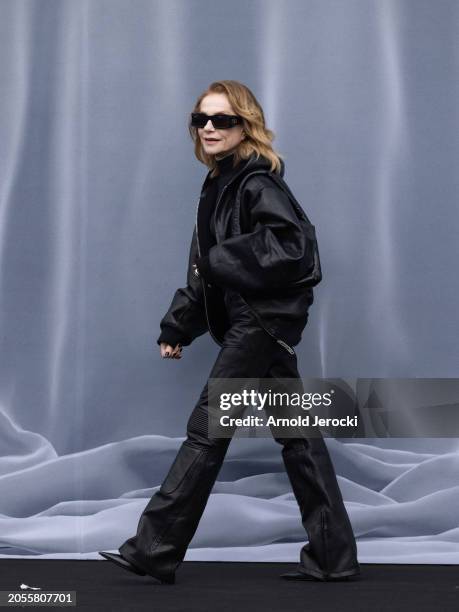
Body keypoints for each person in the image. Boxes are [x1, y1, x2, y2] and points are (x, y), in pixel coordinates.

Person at [99, 80, 361, 585]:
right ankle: (334, 557)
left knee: (208, 428)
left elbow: (293, 250)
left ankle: (155, 549)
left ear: (247, 126)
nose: (211, 129)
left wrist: (222, 260)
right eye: (202, 120)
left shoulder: (258, 183)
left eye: (223, 120)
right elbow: (204, 272)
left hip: (261, 324)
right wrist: (179, 325)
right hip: (256, 323)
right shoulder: (220, 183)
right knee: (299, 437)